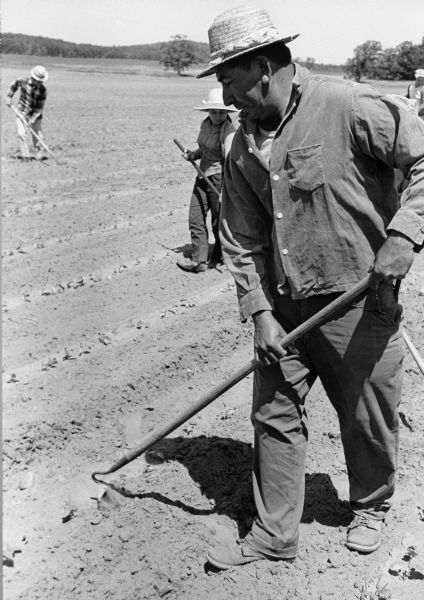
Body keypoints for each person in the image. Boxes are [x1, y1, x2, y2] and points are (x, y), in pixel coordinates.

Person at [196, 4, 424, 569]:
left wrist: (403, 236)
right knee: (273, 414)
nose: (223, 90)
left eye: (227, 75)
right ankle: (275, 533)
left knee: (367, 411)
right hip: (283, 304)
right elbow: (239, 236)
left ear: (264, 66)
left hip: (357, 296)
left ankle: (370, 506)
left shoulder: (346, 105)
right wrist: (260, 313)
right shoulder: (239, 144)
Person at [176, 88, 238, 273]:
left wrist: (226, 189)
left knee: (218, 222)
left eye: (221, 112)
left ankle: (220, 257)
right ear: (208, 112)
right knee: (195, 218)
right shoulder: (206, 124)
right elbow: (204, 149)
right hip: (202, 176)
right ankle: (199, 261)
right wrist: (192, 155)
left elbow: (230, 159)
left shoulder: (228, 131)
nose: (217, 116)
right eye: (213, 112)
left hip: (219, 178)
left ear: (226, 112)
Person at [6, 65, 49, 161]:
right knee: (21, 134)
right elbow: (13, 86)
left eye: (41, 81)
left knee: (38, 136)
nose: (40, 83)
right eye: (38, 81)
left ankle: (39, 155)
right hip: (21, 112)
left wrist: (31, 120)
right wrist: (9, 98)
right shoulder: (22, 81)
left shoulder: (43, 91)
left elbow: (39, 109)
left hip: (35, 116)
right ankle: (26, 156)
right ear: (33, 78)